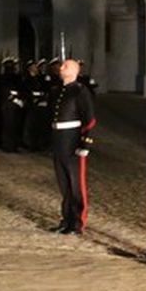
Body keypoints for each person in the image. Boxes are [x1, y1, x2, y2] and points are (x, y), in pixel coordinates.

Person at [50, 59, 96, 234]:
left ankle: (78, 221)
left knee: (76, 185)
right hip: (59, 140)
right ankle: (66, 219)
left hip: (73, 140)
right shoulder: (56, 90)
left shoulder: (80, 91)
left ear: (75, 71)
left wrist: (85, 143)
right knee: (64, 183)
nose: (61, 68)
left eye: (65, 66)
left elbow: (90, 119)